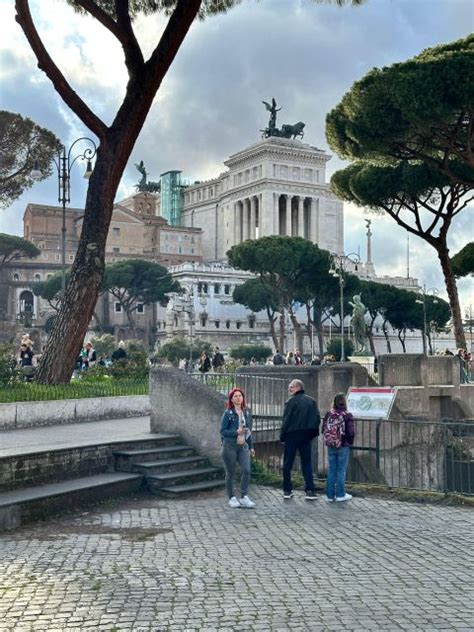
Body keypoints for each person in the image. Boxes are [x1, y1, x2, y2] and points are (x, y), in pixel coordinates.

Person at [280, 379, 321, 500]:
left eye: (291, 387)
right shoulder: (311, 401)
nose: (289, 389)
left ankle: (287, 490)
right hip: (306, 436)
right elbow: (317, 419)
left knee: (288, 463)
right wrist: (312, 434)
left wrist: (282, 436)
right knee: (306, 463)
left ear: (298, 387)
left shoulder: (291, 402)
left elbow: (286, 420)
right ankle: (310, 490)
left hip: (291, 435)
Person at [220, 388, 256, 508]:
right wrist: (236, 431)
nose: (238, 398)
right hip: (230, 446)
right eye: (235, 396)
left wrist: (251, 446)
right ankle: (232, 497)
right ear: (231, 399)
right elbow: (223, 431)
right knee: (230, 473)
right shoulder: (228, 413)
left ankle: (244, 496)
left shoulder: (246, 412)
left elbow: (248, 431)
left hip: (243, 446)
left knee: (246, 470)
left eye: (240, 395)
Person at [322, 393, 355, 502]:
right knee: (341, 470)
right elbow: (350, 432)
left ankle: (330, 496)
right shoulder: (347, 415)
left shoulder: (328, 414)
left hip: (331, 445)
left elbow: (323, 429)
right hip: (343, 445)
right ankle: (340, 494)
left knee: (332, 470)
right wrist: (349, 442)